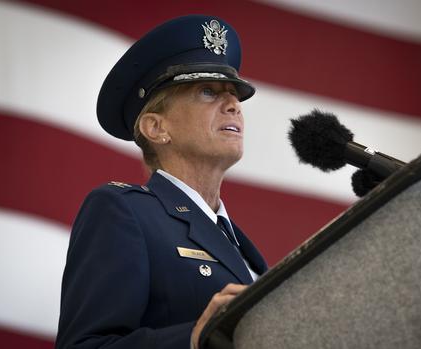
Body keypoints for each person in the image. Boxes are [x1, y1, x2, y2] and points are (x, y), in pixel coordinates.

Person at [55, 15, 268, 349]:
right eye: (209, 91)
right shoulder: (122, 211)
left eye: (235, 96)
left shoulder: (242, 247)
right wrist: (194, 338)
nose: (233, 106)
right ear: (156, 128)